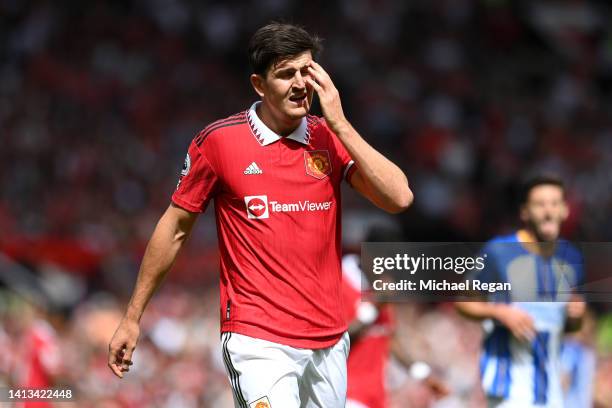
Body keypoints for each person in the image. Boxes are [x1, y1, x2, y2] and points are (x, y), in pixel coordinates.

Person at [108, 22, 413, 408]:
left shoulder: (328, 137)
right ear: (259, 85)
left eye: (307, 71)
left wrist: (340, 123)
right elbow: (174, 229)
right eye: (286, 74)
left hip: (330, 340)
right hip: (259, 340)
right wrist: (133, 317)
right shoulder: (219, 142)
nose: (301, 83)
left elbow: (399, 197)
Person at [456, 175, 586, 407]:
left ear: (565, 210)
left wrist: (576, 316)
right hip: (508, 387)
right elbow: (463, 301)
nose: (548, 212)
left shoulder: (572, 257)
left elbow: (566, 326)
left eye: (555, 204)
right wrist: (500, 313)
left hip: (551, 390)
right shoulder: (498, 251)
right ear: (525, 212)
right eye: (540, 204)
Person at [341, 250, 449, 408]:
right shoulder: (342, 283)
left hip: (376, 395)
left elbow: (389, 337)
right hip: (349, 393)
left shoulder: (378, 293)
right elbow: (340, 338)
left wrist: (422, 373)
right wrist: (374, 306)